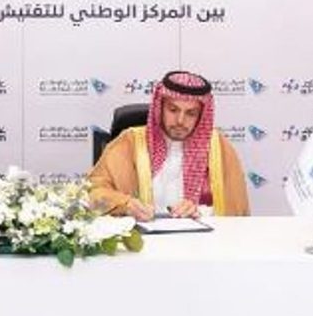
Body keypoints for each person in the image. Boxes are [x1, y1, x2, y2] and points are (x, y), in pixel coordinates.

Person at [88, 70, 249, 220]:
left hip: (199, 238)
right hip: (141, 237)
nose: (180, 121)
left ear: (201, 116)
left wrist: (200, 211)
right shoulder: (130, 142)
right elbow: (91, 192)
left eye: (191, 113)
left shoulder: (218, 148)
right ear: (160, 108)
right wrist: (125, 204)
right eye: (173, 110)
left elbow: (236, 208)